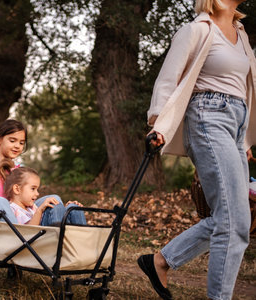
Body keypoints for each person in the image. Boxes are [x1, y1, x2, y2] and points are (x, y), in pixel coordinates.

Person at [138, 0, 256, 299]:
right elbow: (168, 77)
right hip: (207, 117)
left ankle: (160, 261)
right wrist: (157, 123)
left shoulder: (240, 33)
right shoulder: (196, 30)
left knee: (234, 218)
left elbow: (243, 89)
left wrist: (243, 143)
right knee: (235, 221)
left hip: (234, 124)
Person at [0, 119, 69, 231]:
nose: (17, 146)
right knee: (0, 201)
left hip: (15, 216)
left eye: (21, 143)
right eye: (12, 141)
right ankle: (20, 237)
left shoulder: (18, 170)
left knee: (53, 198)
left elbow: (24, 200)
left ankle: (56, 236)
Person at [2, 167, 86, 226]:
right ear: (17, 189)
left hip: (52, 230)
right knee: (54, 206)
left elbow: (51, 217)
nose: (37, 193)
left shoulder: (31, 207)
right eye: (33, 189)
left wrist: (65, 209)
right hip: (40, 240)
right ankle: (61, 243)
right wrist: (40, 210)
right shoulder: (13, 210)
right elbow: (28, 233)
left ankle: (83, 245)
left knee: (73, 208)